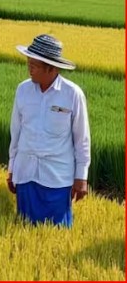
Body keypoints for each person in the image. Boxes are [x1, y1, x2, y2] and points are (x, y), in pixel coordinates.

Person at [8, 34, 91, 227]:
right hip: (26, 174)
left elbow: (82, 140)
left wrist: (81, 177)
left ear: (51, 68)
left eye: (34, 65)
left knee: (56, 233)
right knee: (24, 228)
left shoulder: (72, 94)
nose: (29, 69)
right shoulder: (22, 90)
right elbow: (16, 133)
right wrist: (12, 169)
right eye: (28, 63)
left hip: (57, 178)